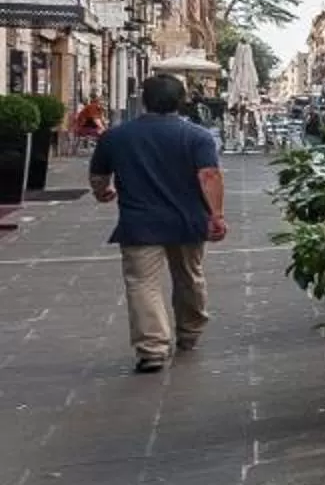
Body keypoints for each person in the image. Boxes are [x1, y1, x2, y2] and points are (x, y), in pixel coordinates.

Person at [86, 73, 227, 373]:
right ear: (182, 100)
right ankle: (189, 332)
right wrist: (216, 215)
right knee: (190, 276)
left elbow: (98, 176)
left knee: (142, 284)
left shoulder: (116, 136)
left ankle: (152, 349)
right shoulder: (197, 136)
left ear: (144, 100)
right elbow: (209, 176)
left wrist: (103, 192)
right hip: (188, 221)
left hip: (139, 223)